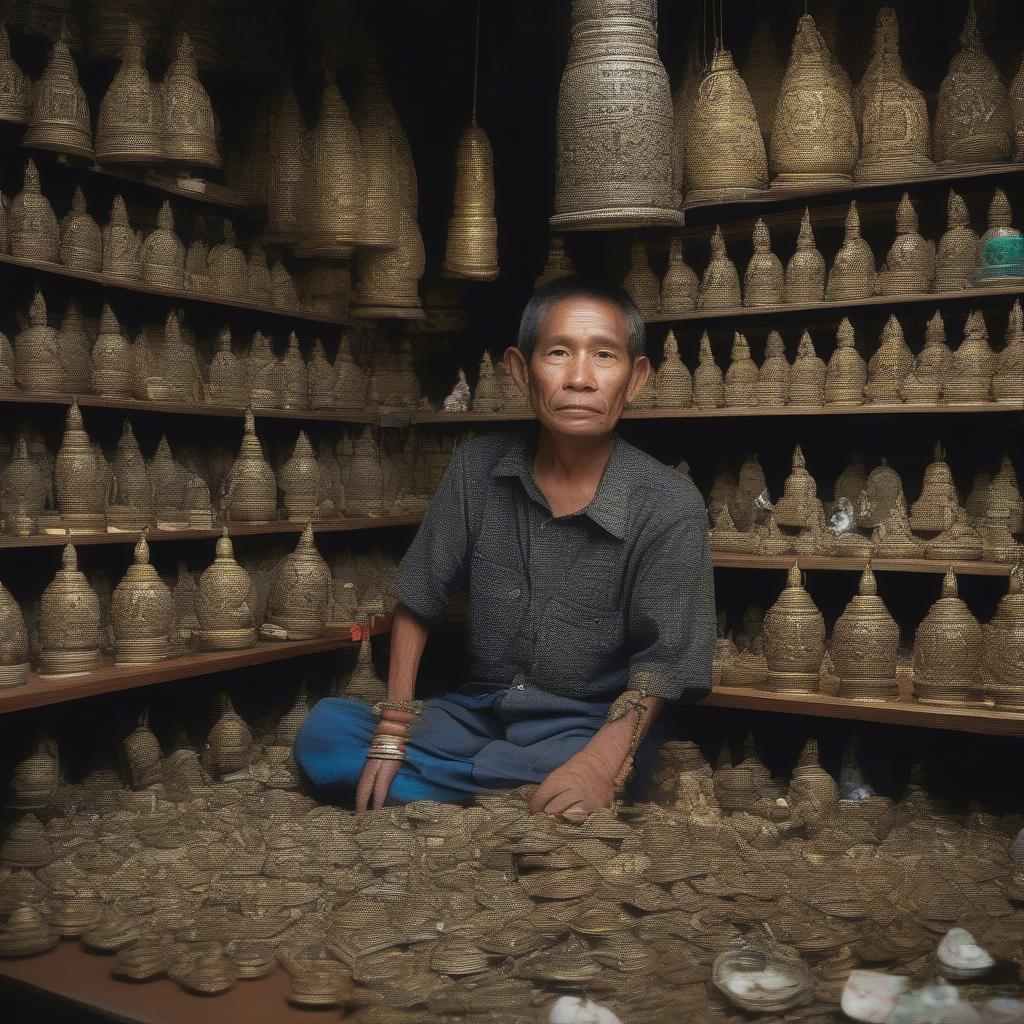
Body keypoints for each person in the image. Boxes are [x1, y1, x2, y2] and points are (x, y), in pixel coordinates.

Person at [294, 277, 716, 821]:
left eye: (605, 356)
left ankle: (485, 787)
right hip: (478, 713)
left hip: (586, 722)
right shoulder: (476, 469)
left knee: (608, 764)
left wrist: (594, 767)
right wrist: (393, 732)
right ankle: (504, 794)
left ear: (635, 380)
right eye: (559, 353)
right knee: (325, 730)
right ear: (520, 371)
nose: (581, 379)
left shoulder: (667, 501)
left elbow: (665, 665)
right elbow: (418, 597)